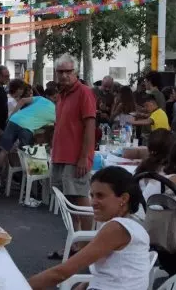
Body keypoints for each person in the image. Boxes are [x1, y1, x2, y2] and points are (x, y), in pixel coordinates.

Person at [29, 167, 150, 290]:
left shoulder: (117, 228)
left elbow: (61, 273)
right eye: (92, 195)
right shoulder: (133, 226)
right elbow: (113, 273)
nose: (93, 202)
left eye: (100, 196)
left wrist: (19, 284)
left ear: (124, 198)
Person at [50, 54, 97, 254]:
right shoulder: (61, 95)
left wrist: (84, 157)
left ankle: (86, 246)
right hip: (60, 156)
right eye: (61, 72)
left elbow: (90, 126)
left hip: (75, 158)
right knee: (68, 205)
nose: (64, 76)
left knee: (80, 201)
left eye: (68, 72)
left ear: (75, 72)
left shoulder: (84, 92)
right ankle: (75, 242)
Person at [0, 87, 57, 181]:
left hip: (14, 120)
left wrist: (13, 114)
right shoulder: (56, 113)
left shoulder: (40, 99)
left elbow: (22, 100)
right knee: (31, 152)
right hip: (27, 128)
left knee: (4, 150)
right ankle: (33, 182)